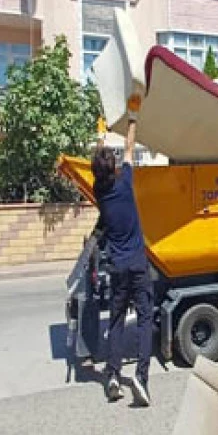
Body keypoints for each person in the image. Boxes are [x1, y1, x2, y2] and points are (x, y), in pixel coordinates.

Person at [90, 102, 153, 406]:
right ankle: (141, 378)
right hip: (138, 264)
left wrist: (100, 136)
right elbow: (129, 147)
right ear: (114, 167)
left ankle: (113, 375)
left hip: (117, 267)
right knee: (144, 320)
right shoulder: (125, 182)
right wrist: (133, 118)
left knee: (115, 321)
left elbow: (101, 163)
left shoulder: (99, 191)